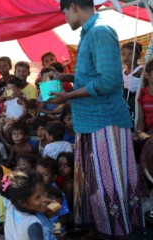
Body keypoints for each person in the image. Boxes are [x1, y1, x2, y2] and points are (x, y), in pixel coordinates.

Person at [51, 1, 143, 237]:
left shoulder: (100, 31)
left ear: (72, 6)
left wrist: (69, 95)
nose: (64, 18)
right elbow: (94, 75)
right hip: (91, 121)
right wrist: (68, 76)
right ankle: (103, 229)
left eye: (64, 12)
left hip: (105, 123)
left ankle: (115, 232)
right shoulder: (91, 32)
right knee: (97, 183)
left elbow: (109, 81)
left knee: (108, 184)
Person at [3, 169, 56, 240]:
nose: (45, 199)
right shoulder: (33, 224)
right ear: (22, 203)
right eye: (38, 197)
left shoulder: (12, 204)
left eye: (44, 192)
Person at [0, 76, 27, 149]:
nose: (10, 91)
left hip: (15, 118)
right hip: (7, 117)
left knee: (5, 128)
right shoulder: (6, 99)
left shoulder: (20, 98)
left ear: (19, 89)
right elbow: (5, 110)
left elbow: (25, 111)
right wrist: (3, 114)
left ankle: (11, 143)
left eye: (13, 89)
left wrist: (19, 118)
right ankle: (5, 142)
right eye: (8, 89)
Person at [137, 59, 153, 139]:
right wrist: (140, 132)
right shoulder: (142, 93)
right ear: (147, 75)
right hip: (148, 133)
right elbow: (141, 118)